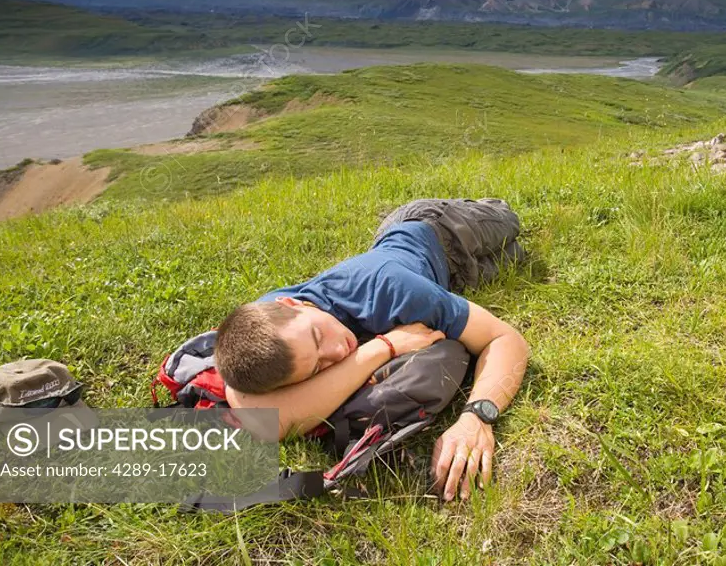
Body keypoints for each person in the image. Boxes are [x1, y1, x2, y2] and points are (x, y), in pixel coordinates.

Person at [214, 198, 530, 502]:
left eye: (317, 336)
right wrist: (382, 348)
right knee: (513, 257)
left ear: (291, 304)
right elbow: (258, 413)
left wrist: (477, 418)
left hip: (438, 226)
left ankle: (482, 204)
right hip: (431, 268)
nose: (338, 351)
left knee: (508, 222)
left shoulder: (389, 288)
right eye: (319, 367)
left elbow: (503, 339)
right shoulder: (261, 327)